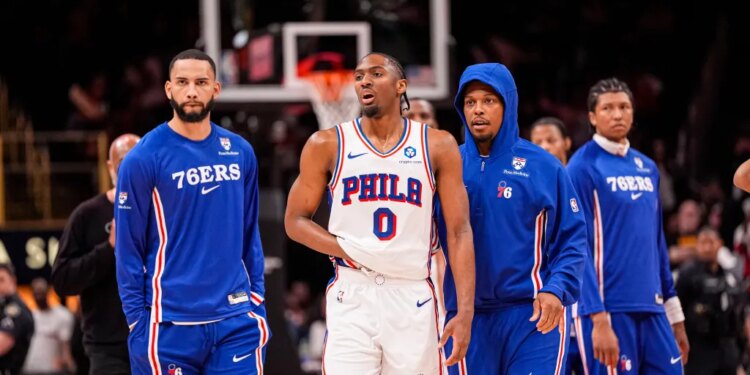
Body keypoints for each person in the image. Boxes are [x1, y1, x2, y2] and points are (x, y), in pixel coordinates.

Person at [284, 52, 475, 374]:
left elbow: (459, 232)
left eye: (375, 74)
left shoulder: (437, 145)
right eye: (358, 76)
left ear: (401, 86)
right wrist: (347, 250)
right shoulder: (326, 143)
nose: (364, 81)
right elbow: (294, 221)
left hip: (411, 291)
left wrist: (465, 310)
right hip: (353, 289)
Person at [115, 49, 269, 374]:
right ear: (168, 89)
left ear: (216, 88)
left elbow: (250, 232)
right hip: (169, 323)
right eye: (183, 82)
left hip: (236, 320)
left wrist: (256, 299)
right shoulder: (143, 158)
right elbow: (128, 250)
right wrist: (136, 323)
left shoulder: (241, 152)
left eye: (201, 82)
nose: (191, 91)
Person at [439, 63, 587, 374]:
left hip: (532, 315)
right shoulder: (446, 164)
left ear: (509, 104)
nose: (478, 110)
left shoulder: (544, 166)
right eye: (470, 102)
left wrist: (556, 289)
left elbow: (573, 238)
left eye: (489, 101)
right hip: (467, 316)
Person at [567, 78, 690, 374]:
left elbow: (656, 242)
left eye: (624, 107)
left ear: (633, 113)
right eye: (607, 108)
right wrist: (596, 318)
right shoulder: (581, 167)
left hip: (653, 305)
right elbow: (577, 246)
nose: (618, 114)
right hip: (609, 310)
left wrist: (675, 316)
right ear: (593, 117)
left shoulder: (648, 167)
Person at [51, 133, 140, 374]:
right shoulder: (87, 215)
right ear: (110, 167)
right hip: (107, 347)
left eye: (138, 161)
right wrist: (108, 248)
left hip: (159, 342)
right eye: (123, 162)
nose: (131, 168)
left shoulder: (165, 212)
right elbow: (62, 280)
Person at [529, 116, 583, 375]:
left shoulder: (578, 178)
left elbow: (581, 246)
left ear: (567, 143)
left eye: (551, 140)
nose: (544, 146)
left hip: (578, 293)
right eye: (537, 141)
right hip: (544, 295)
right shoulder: (526, 181)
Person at [404, 97, 448, 331]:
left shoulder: (457, 165)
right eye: (410, 116)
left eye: (424, 116)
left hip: (447, 267)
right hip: (405, 268)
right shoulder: (384, 169)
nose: (419, 122)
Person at [677, 227, 743, 375]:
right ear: (696, 246)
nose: (707, 248)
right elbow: (677, 308)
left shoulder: (728, 274)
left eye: (711, 242)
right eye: (703, 243)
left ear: (720, 244)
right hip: (699, 349)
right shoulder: (688, 274)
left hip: (726, 348)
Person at [22, 278, 76, 375]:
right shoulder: (31, 316)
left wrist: (69, 364)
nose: (39, 297)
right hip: (30, 367)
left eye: (41, 293)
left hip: (52, 369)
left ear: (48, 292)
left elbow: (65, 345)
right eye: (36, 293)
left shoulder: (62, 315)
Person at [0, 263, 34, 375]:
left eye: (1, 280)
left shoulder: (16, 310)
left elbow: (2, 345)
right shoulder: (3, 307)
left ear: (13, 281)